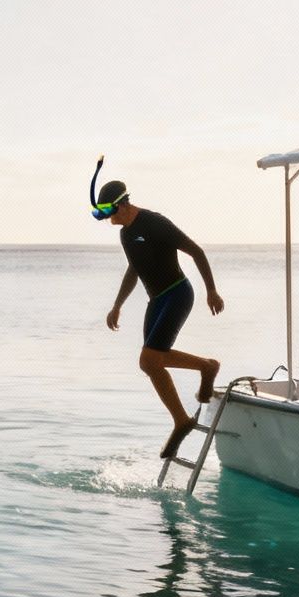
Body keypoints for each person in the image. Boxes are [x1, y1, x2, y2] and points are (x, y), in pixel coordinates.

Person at [98, 179, 224, 458]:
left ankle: (184, 414)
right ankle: (204, 371)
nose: (109, 220)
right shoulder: (125, 234)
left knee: (149, 358)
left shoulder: (155, 223)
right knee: (151, 363)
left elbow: (197, 251)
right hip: (157, 301)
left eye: (110, 212)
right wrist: (117, 305)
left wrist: (211, 290)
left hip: (177, 294)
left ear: (122, 204)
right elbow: (134, 269)